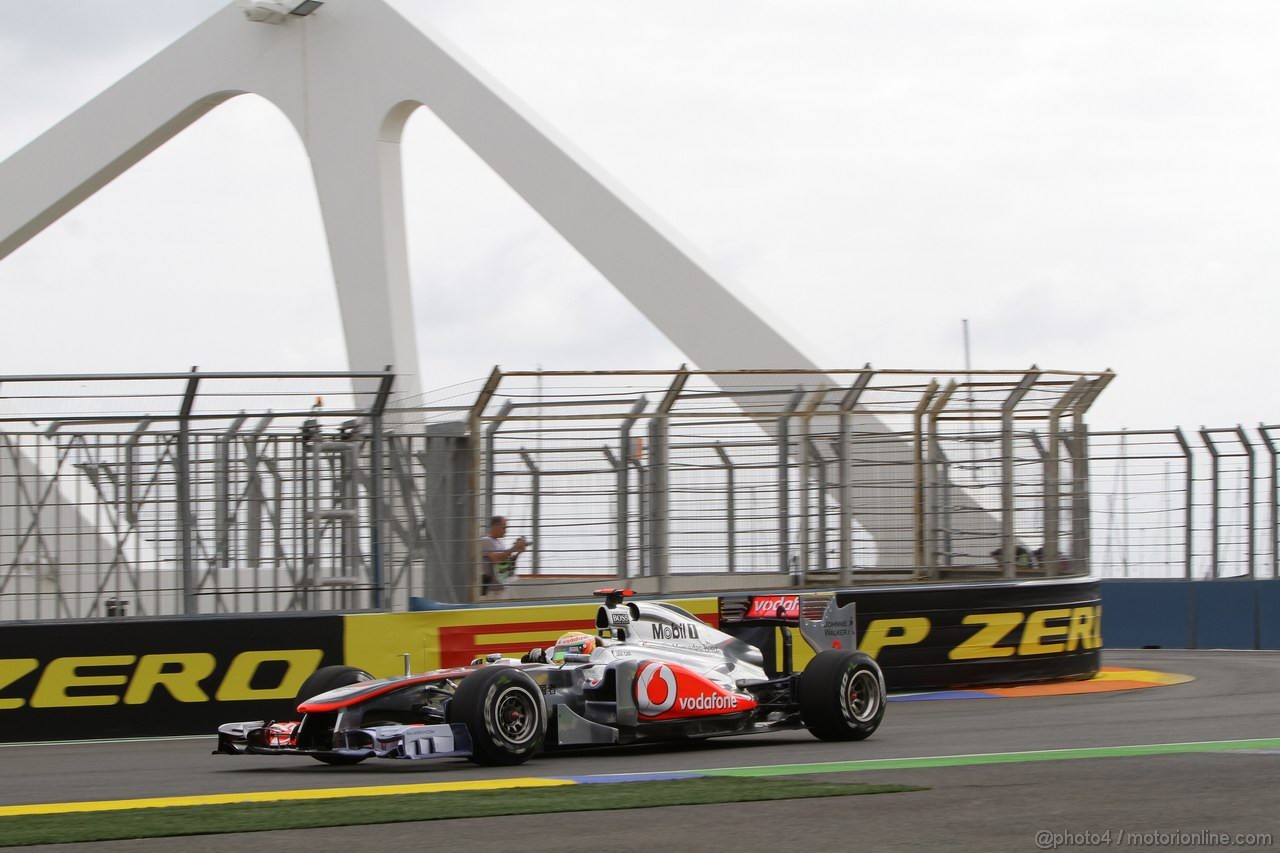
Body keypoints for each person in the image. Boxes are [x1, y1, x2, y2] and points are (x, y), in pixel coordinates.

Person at [479, 515, 528, 596]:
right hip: (491, 590)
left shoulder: (499, 542)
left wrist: (518, 552)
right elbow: (497, 559)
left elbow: (507, 564)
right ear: (495, 526)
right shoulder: (486, 541)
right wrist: (514, 547)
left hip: (501, 587)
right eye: (504, 528)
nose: (505, 531)